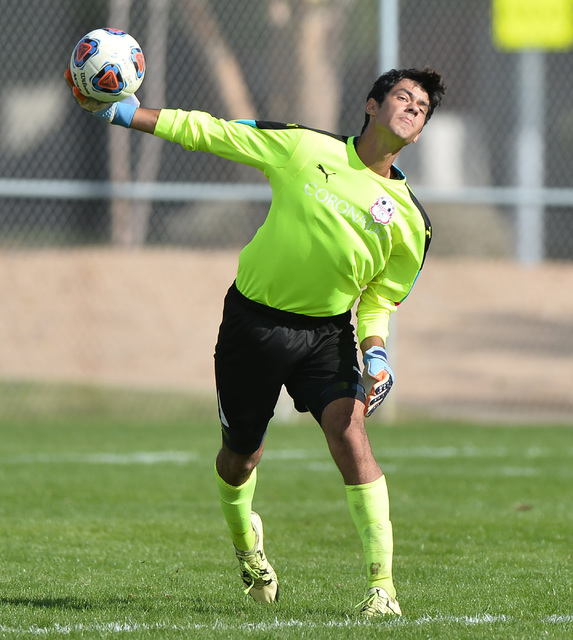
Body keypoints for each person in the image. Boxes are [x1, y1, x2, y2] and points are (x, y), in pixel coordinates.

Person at [65, 65, 445, 617]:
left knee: (351, 435)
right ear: (370, 104)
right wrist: (121, 112)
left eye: (423, 109)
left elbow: (381, 298)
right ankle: (249, 549)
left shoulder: (410, 219)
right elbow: (212, 131)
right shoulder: (301, 148)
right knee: (241, 458)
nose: (414, 110)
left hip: (326, 334)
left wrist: (377, 353)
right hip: (253, 324)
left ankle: (382, 589)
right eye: (404, 98)